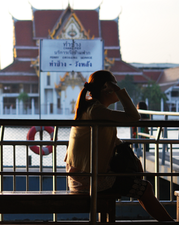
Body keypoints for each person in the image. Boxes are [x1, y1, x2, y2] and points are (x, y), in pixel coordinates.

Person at [64, 70, 173, 222]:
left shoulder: (94, 109)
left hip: (85, 176)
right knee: (145, 188)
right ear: (106, 88)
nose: (118, 88)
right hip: (88, 179)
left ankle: (167, 222)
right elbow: (134, 117)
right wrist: (119, 91)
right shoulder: (96, 110)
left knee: (142, 187)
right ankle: (168, 222)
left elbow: (114, 141)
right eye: (115, 84)